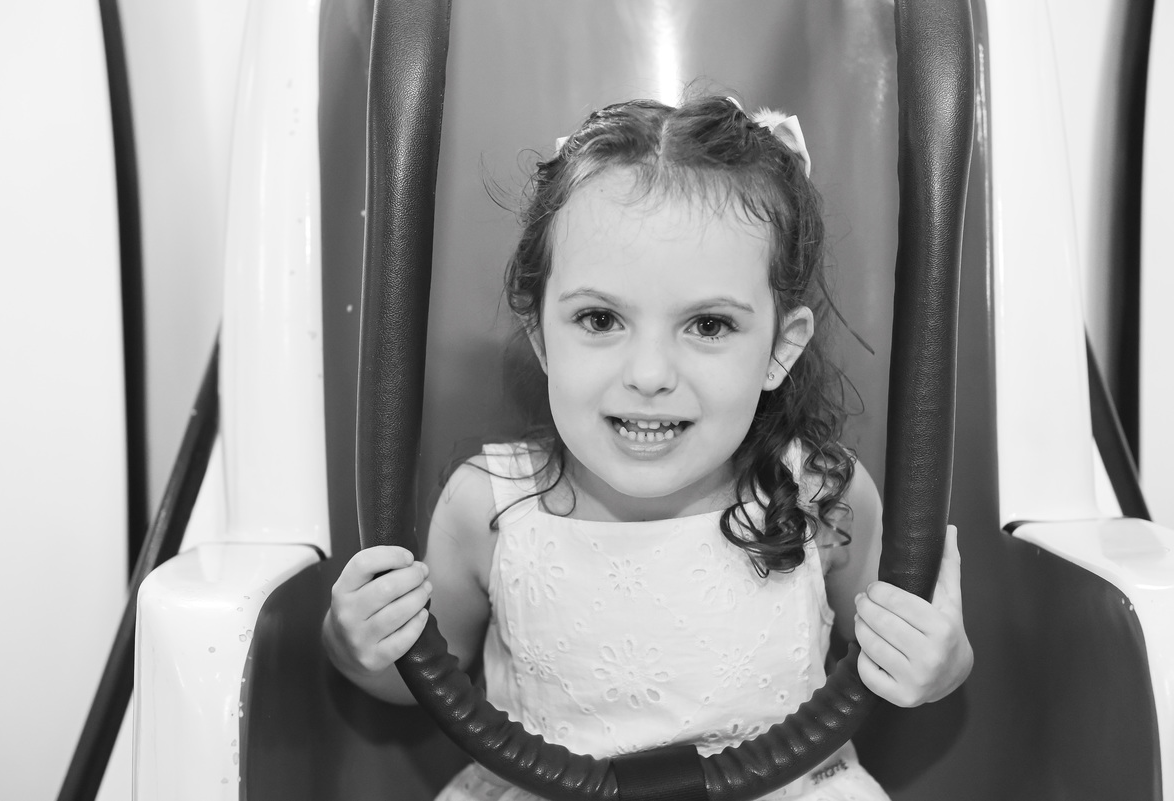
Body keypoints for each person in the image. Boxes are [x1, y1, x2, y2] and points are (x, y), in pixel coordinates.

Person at [322, 95, 973, 801]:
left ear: (781, 349)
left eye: (709, 325)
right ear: (541, 337)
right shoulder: (488, 506)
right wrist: (359, 644)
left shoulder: (821, 493)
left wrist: (938, 663)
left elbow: (898, 651)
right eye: (601, 319)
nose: (650, 374)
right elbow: (414, 677)